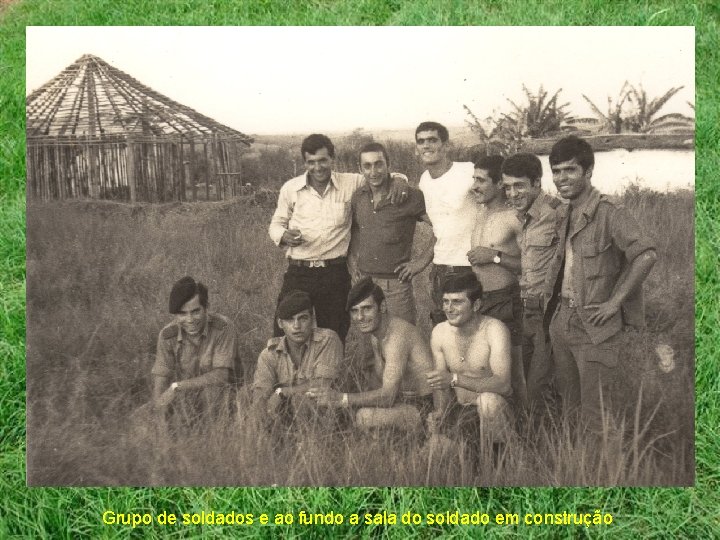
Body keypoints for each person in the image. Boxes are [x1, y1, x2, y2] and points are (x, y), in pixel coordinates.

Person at [544, 136, 657, 432]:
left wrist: (614, 303)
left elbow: (645, 255)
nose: (561, 178)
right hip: (562, 320)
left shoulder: (610, 213)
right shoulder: (564, 213)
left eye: (569, 170)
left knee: (598, 415)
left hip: (594, 325)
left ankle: (605, 475)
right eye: (556, 171)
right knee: (569, 409)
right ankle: (576, 472)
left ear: (588, 171)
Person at [268, 134, 408, 342]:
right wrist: (283, 235)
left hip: (335, 273)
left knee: (333, 332)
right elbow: (276, 223)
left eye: (323, 160)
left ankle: (327, 375)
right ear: (304, 162)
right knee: (285, 332)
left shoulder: (351, 183)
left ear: (332, 159)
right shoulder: (291, 188)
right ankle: (289, 374)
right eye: (311, 162)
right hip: (299, 272)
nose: (318, 167)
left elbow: (381, 175)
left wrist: (399, 180)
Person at [313, 277, 437, 433]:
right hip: (402, 401)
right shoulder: (376, 335)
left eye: (366, 309)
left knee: (364, 416)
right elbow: (377, 384)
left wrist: (341, 399)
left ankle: (416, 439)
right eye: (355, 311)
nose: (360, 317)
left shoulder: (398, 336)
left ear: (382, 306)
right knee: (340, 412)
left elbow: (387, 397)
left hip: (425, 407)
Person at [501, 152, 563, 409]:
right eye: (507, 187)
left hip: (549, 309)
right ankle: (536, 437)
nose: (512, 193)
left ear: (537, 183)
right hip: (526, 308)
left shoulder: (557, 214)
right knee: (525, 379)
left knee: (539, 383)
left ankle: (555, 440)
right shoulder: (523, 216)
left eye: (519, 186)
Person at [349, 142, 435, 324]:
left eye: (379, 164)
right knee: (372, 344)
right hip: (364, 283)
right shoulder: (358, 197)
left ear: (388, 163)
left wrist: (420, 263)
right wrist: (352, 260)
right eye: (367, 166)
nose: (374, 171)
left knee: (403, 340)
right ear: (360, 169)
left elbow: (442, 228)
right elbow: (357, 228)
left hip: (395, 285)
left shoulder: (408, 196)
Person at [426, 273, 514, 446]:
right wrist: (440, 412)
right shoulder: (439, 332)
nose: (449, 308)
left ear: (476, 305)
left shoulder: (494, 330)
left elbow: (503, 384)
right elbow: (440, 385)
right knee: (432, 451)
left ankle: (498, 459)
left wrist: (454, 379)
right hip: (461, 411)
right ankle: (470, 456)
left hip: (495, 411)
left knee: (487, 402)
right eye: (446, 301)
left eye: (457, 302)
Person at [467, 154, 526, 405]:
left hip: (506, 301)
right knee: (487, 368)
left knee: (515, 370)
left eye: (481, 180)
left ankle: (527, 426)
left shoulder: (513, 218)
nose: (474, 186)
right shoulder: (480, 211)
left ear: (499, 184)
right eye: (474, 179)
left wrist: (495, 256)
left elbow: (532, 265)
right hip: (481, 302)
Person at [415, 121, 476, 325]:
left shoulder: (468, 171)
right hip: (440, 268)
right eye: (421, 141)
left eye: (432, 140)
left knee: (472, 331)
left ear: (446, 145)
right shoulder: (424, 180)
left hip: (469, 266)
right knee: (443, 329)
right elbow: (440, 227)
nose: (426, 145)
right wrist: (421, 262)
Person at [151, 276, 238, 417]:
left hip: (220, 395)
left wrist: (177, 387)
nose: (190, 320)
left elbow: (221, 376)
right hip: (186, 397)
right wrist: (159, 407)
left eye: (195, 312)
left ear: (206, 308)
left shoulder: (223, 328)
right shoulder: (167, 335)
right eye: (182, 314)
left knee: (211, 395)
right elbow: (161, 377)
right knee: (142, 415)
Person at [252, 290, 342, 425]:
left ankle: (309, 444)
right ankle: (260, 441)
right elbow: (261, 391)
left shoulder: (327, 340)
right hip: (280, 412)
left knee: (301, 401)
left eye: (303, 318)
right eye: (290, 320)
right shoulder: (269, 354)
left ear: (312, 320)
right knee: (246, 396)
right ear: (280, 324)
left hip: (320, 412)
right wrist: (262, 411)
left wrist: (282, 392)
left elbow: (321, 384)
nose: (296, 326)